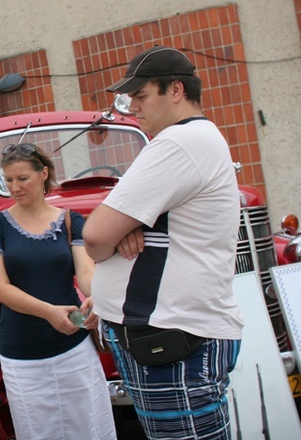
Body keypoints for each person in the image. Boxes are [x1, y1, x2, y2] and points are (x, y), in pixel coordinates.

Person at [82, 46, 242, 439]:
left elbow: (96, 236)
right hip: (167, 335)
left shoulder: (177, 143)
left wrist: (118, 230)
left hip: (173, 338)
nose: (132, 107)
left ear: (175, 90)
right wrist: (129, 225)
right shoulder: (190, 140)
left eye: (141, 95)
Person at [0, 143, 116, 440]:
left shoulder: (70, 220)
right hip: (22, 352)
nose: (14, 187)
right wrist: (49, 312)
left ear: (43, 175)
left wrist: (96, 299)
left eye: (22, 179)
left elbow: (86, 273)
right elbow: (1, 289)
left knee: (88, 429)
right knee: (37, 432)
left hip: (74, 349)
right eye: (8, 180)